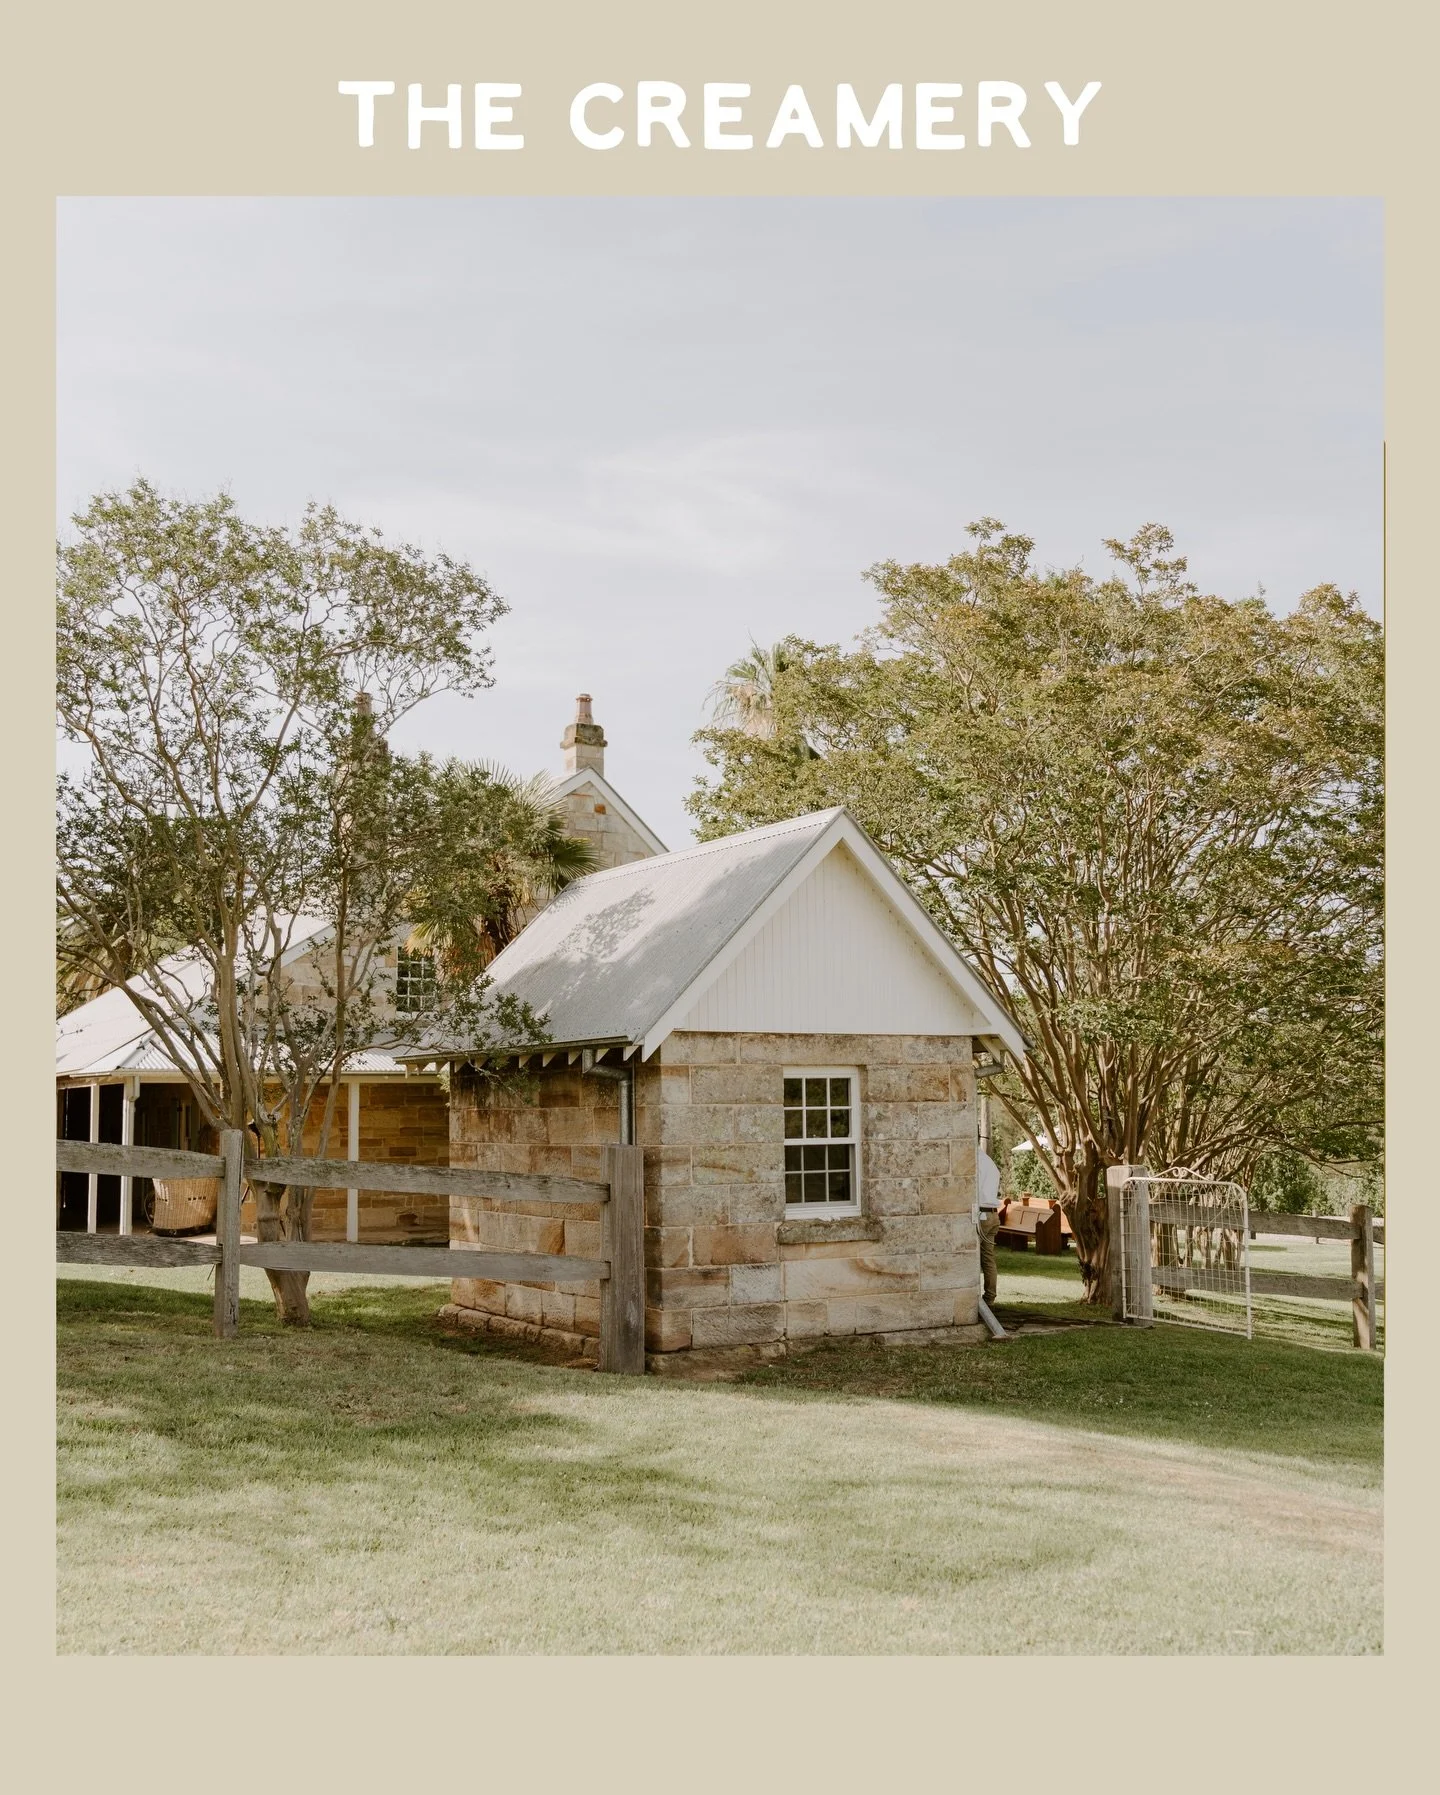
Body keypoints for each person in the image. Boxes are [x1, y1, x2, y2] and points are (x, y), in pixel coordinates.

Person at [977, 1148, 1002, 1309]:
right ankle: (989, 1298)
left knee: (971, 1257)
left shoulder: (975, 1162)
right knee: (988, 1258)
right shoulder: (989, 1162)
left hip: (982, 1215)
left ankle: (975, 1297)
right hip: (993, 1215)